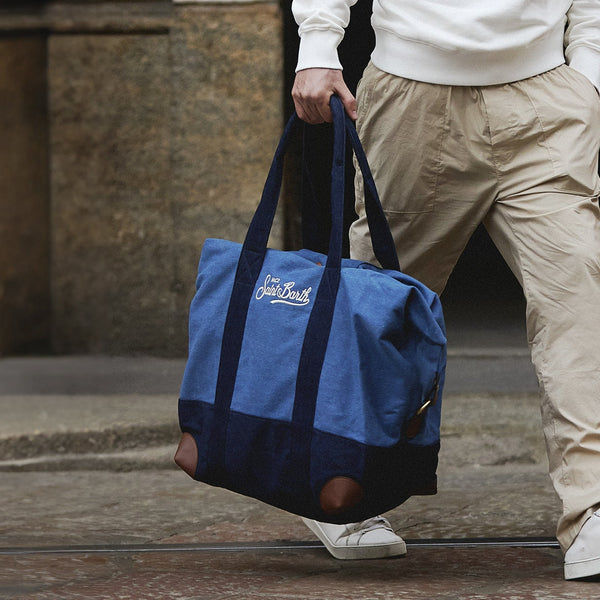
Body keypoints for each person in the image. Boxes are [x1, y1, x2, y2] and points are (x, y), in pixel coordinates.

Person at [291, 0, 600, 580]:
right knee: (382, 305)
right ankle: (336, 481)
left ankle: (593, 508)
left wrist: (590, 76)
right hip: (413, 97)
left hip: (547, 100)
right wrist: (317, 43)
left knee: (580, 291)